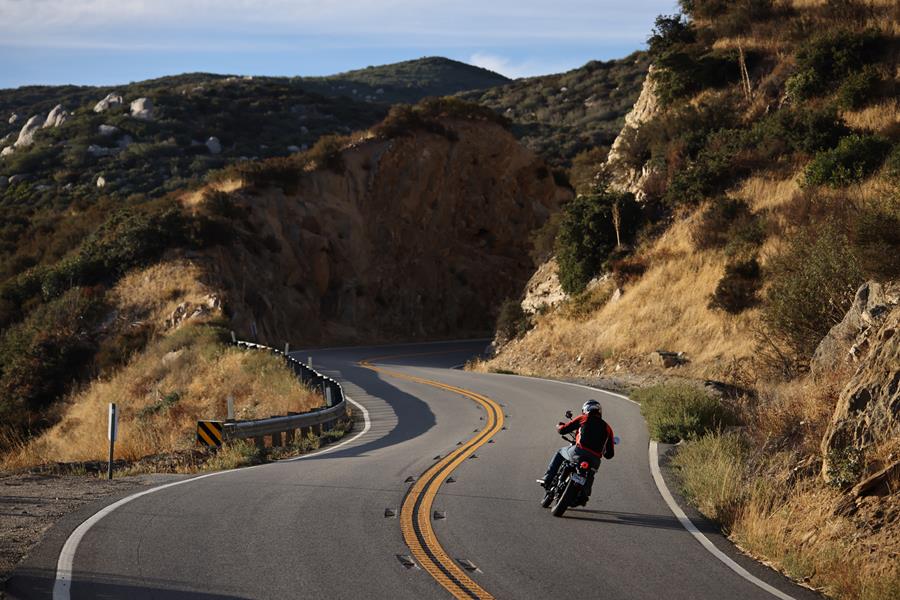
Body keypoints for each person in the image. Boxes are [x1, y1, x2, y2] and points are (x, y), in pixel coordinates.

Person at [538, 400, 614, 501]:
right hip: (595, 460)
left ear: (586, 409)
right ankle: (584, 493)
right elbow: (609, 455)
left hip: (579, 452)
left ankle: (548, 477)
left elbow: (563, 430)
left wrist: (558, 425)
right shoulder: (608, 428)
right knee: (591, 473)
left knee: (560, 452)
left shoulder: (583, 418)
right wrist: (602, 450)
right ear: (599, 411)